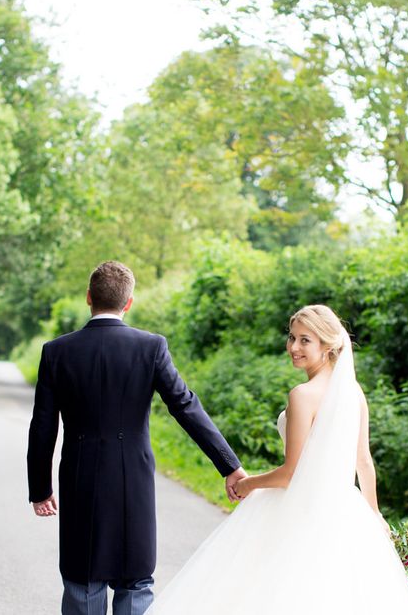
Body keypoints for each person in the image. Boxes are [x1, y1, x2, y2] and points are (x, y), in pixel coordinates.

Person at [145, 305, 408, 614]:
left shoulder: (303, 395)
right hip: (346, 508)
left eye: (305, 340)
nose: (293, 347)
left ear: (328, 344)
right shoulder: (354, 391)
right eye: (292, 337)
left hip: (302, 511)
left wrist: (249, 484)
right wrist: (373, 514)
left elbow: (292, 473)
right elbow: (363, 461)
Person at [27, 260, 246, 615]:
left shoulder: (57, 351)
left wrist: (40, 487)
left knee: (83, 578)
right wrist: (229, 465)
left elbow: (42, 424)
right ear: (128, 303)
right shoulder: (151, 347)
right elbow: (186, 407)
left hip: (79, 477)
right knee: (136, 578)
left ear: (88, 298)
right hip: (134, 479)